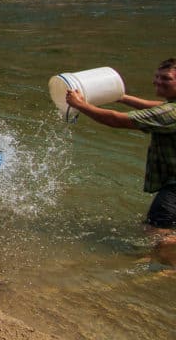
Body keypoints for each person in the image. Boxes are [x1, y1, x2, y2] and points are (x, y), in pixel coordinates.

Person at [66, 58, 176, 260]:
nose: (157, 81)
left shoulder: (171, 114)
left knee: (155, 228)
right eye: (157, 76)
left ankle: (168, 264)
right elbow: (156, 106)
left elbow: (117, 120)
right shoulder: (170, 108)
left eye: (165, 78)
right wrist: (121, 96)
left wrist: (80, 105)